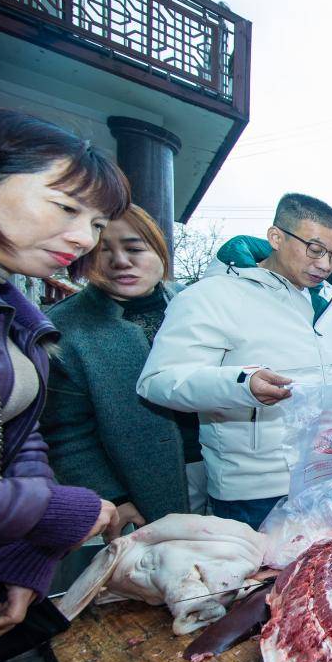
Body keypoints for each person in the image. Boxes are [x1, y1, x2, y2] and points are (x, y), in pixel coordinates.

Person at [0, 108, 123, 644]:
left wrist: (25, 547)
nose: (83, 238)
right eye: (65, 206)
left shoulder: (3, 301)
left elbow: (12, 430)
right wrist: (51, 511)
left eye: (96, 223)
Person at [137, 193, 332, 530]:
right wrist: (243, 385)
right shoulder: (215, 296)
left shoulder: (328, 303)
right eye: (315, 249)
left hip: (327, 475)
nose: (325, 265)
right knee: (259, 582)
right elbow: (159, 380)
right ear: (276, 237)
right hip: (255, 490)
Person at [43, 205, 204, 537]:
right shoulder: (65, 328)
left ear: (160, 251)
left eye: (134, 248)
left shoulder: (200, 304)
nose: (121, 261)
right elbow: (64, 432)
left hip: (223, 474)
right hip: (136, 493)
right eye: (103, 251)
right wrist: (111, 495)